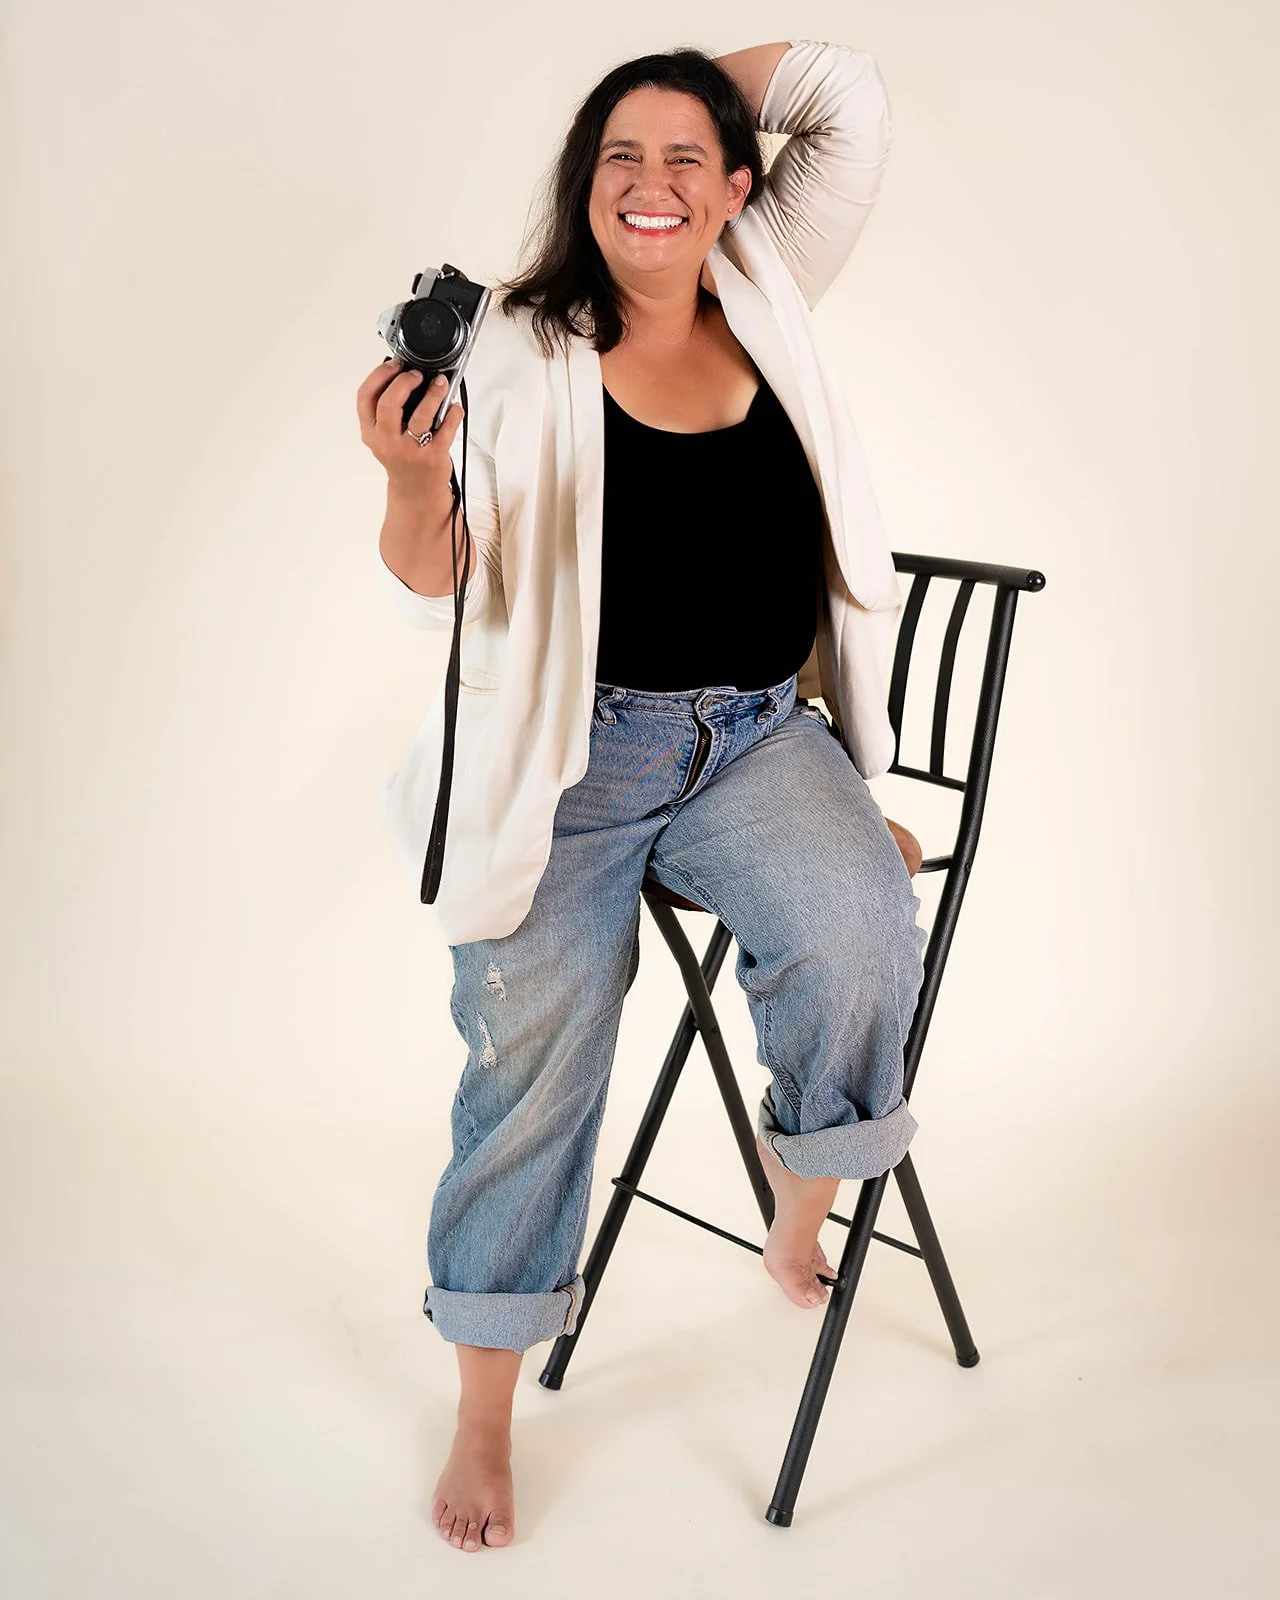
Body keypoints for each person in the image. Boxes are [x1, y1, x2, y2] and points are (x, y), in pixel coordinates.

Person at [356, 39, 927, 1554]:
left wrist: (667, 82)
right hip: (577, 754)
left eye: (688, 158)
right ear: (582, 190)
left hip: (757, 739)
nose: (653, 184)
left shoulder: (767, 283)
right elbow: (436, 586)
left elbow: (843, 95)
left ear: (742, 188)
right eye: (619, 157)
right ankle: (486, 1403)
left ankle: (793, 1206)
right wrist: (412, 486)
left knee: (864, 919)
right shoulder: (519, 345)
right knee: (534, 1044)